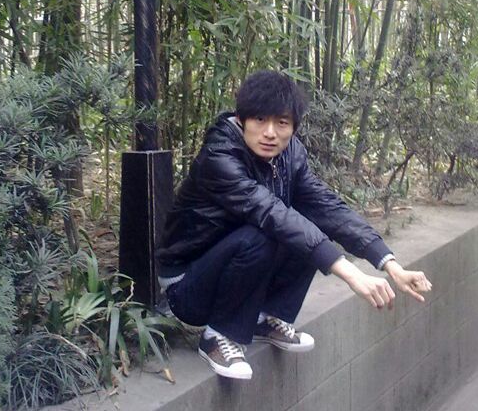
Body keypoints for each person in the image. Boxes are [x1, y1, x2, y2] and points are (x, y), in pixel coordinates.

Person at [156, 70, 432, 380]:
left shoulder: (290, 154)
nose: (270, 133)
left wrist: (390, 264)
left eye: (282, 123)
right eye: (260, 120)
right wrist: (351, 274)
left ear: (294, 127)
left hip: (236, 272)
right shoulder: (219, 156)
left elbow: (327, 207)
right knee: (267, 232)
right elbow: (271, 213)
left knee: (307, 223)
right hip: (188, 287)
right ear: (242, 119)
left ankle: (266, 318)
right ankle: (218, 336)